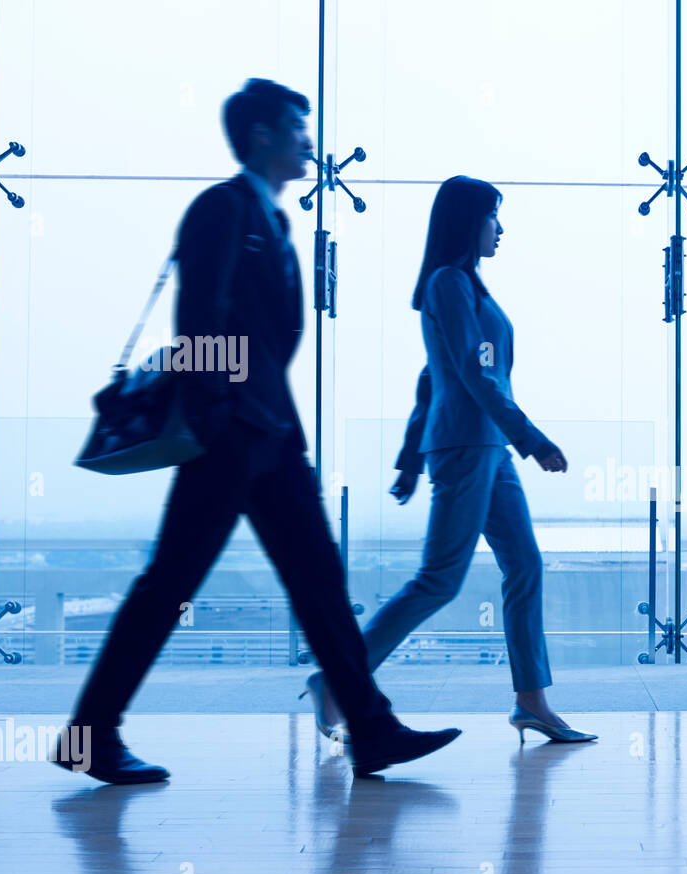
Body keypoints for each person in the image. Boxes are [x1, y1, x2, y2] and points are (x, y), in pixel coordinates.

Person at [52, 79, 461, 784]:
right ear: (264, 135)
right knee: (172, 584)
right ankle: (90, 736)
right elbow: (198, 324)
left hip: (266, 434)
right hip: (232, 435)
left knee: (317, 581)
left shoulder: (270, 219)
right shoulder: (222, 209)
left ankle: (371, 727)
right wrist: (225, 409)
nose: (310, 140)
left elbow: (272, 336)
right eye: (299, 128)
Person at [305, 176, 595, 744]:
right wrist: (532, 440)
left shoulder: (467, 286)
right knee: (440, 579)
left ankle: (532, 700)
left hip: (486, 446)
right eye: (494, 218)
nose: (501, 230)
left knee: (525, 566)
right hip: (469, 445)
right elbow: (469, 372)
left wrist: (410, 458)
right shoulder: (447, 284)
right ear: (468, 222)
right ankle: (336, 681)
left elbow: (426, 379)